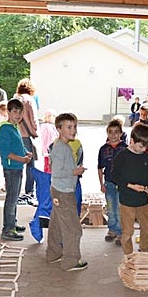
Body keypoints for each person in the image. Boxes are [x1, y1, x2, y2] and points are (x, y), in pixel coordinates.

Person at [46, 113, 88, 271]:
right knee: (73, 228)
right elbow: (56, 172)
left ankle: (53, 253)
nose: (73, 130)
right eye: (69, 127)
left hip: (59, 191)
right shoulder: (60, 148)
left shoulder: (62, 145)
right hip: (63, 192)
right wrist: (75, 171)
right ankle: (70, 260)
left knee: (56, 224)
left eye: (75, 126)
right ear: (58, 129)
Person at [111, 124, 148, 255]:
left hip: (143, 200)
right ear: (132, 141)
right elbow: (113, 176)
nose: (144, 149)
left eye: (146, 147)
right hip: (127, 200)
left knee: (146, 228)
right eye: (141, 146)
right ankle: (128, 255)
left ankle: (145, 249)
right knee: (128, 231)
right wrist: (130, 185)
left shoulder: (145, 156)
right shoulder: (122, 156)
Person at [0, 98, 32, 241]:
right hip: (11, 168)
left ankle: (12, 222)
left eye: (20, 112)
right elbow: (5, 152)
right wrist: (22, 159)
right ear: (8, 112)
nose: (18, 115)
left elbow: (18, 145)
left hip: (17, 167)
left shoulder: (14, 127)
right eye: (15, 111)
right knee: (11, 198)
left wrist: (26, 153)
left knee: (15, 197)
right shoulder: (5, 128)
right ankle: (8, 228)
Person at [98, 119, 127, 245]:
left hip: (122, 185)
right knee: (110, 208)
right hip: (109, 183)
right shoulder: (103, 149)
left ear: (121, 133)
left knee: (120, 209)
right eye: (110, 132)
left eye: (116, 132)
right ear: (107, 133)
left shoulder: (125, 148)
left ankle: (121, 232)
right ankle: (112, 230)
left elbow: (130, 168)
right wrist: (101, 184)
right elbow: (100, 167)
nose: (113, 135)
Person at [15, 78, 40, 201]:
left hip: (16, 134)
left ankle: (15, 189)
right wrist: (35, 132)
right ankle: (29, 191)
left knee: (18, 162)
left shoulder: (15, 99)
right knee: (30, 164)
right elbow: (34, 119)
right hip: (27, 135)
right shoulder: (30, 100)